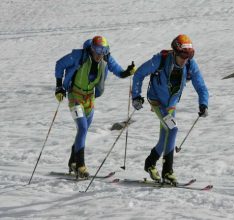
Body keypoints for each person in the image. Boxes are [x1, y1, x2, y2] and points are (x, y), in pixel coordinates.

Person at [131, 34, 209, 185]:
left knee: (165, 137)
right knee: (172, 129)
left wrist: (203, 103)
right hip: (157, 101)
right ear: (175, 52)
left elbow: (201, 86)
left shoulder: (190, 64)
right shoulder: (161, 59)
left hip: (171, 104)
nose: (185, 58)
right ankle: (168, 171)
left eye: (190, 55)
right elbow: (139, 73)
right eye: (183, 55)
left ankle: (150, 163)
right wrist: (136, 96)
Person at [55, 36, 136, 178]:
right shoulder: (79, 56)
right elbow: (59, 64)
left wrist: (127, 72)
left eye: (104, 51)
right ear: (92, 49)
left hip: (89, 100)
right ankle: (80, 165)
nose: (100, 54)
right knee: (82, 128)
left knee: (83, 131)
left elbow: (118, 71)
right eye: (98, 50)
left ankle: (72, 162)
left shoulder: (105, 58)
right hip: (75, 96)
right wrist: (59, 87)